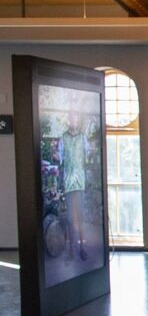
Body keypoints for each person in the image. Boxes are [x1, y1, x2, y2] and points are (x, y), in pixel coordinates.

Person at [61, 111, 88, 262]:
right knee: (71, 219)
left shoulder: (83, 137)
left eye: (75, 118)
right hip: (68, 183)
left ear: (78, 120)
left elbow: (87, 154)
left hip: (80, 182)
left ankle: (82, 248)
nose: (73, 121)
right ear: (68, 120)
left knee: (81, 217)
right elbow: (59, 156)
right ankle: (72, 250)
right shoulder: (63, 137)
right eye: (71, 118)